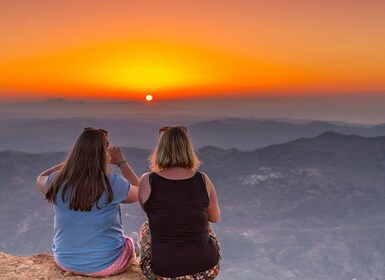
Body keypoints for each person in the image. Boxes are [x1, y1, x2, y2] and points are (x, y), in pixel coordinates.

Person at [36, 127, 140, 277]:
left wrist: (70, 164)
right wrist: (122, 162)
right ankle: (134, 247)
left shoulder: (57, 181)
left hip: (66, 261)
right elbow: (139, 191)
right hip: (108, 264)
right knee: (129, 242)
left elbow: (41, 177)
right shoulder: (112, 183)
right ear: (104, 155)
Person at [138, 126, 221, 279]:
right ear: (188, 149)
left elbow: (151, 212)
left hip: (164, 273)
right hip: (205, 269)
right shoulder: (203, 180)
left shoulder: (147, 180)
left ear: (161, 149)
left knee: (146, 227)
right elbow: (215, 217)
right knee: (206, 225)